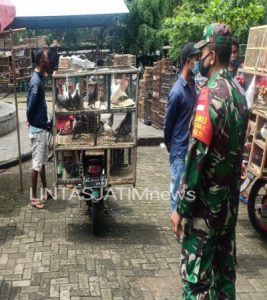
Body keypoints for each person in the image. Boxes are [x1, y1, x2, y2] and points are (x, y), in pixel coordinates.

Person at [172, 24, 249, 299]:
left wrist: (181, 208)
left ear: (212, 56)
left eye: (202, 51)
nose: (200, 59)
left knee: (195, 284)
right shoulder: (239, 95)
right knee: (224, 279)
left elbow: (195, 159)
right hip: (228, 210)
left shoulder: (209, 96)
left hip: (204, 212)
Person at [164, 42, 200, 222]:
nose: (199, 62)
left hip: (192, 147)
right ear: (188, 61)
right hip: (179, 149)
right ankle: (174, 220)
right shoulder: (176, 92)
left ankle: (183, 218)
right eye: (196, 59)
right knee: (176, 187)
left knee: (188, 188)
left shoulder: (194, 87)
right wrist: (172, 147)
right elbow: (167, 125)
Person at [26, 48, 54, 209]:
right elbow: (30, 107)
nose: (48, 59)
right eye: (46, 57)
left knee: (42, 162)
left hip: (41, 127)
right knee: (36, 164)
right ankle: (34, 197)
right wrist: (31, 121)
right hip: (37, 130)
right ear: (41, 62)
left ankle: (45, 191)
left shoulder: (40, 77)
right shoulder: (36, 82)